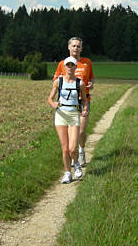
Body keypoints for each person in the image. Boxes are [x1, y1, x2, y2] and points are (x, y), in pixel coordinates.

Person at [53, 37, 94, 166]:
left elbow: (92, 78)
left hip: (83, 101)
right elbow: (55, 80)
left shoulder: (87, 62)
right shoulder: (62, 63)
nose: (76, 48)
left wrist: (91, 84)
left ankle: (81, 150)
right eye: (73, 46)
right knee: (72, 133)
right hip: (68, 104)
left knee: (81, 131)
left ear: (81, 48)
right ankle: (73, 154)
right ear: (69, 47)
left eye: (78, 46)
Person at [48, 56, 89, 184]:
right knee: (65, 148)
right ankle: (67, 173)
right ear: (64, 67)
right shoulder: (58, 82)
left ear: (76, 67)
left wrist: (85, 109)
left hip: (73, 115)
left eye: (72, 65)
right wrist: (53, 104)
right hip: (61, 115)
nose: (70, 67)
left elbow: (85, 100)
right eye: (68, 65)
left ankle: (76, 163)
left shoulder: (80, 83)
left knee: (72, 148)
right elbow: (50, 98)